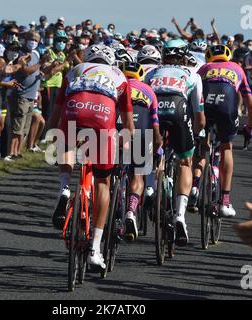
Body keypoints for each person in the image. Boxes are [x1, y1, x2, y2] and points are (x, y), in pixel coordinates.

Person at [48, 44, 134, 269]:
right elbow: (127, 124)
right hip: (102, 115)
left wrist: (49, 134)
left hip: (74, 110)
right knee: (103, 181)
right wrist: (127, 144)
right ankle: (94, 248)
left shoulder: (75, 70)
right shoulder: (120, 76)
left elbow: (56, 114)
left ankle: (65, 188)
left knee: (66, 140)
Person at [145, 39, 205, 246]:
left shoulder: (152, 73)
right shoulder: (193, 75)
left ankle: (151, 190)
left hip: (154, 112)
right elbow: (200, 116)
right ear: (184, 55)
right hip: (178, 110)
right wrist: (194, 136)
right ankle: (180, 215)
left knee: (154, 154)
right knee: (185, 163)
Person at [191, 45, 252, 218]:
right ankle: (225, 201)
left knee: (202, 146)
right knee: (226, 147)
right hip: (226, 107)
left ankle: (195, 187)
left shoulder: (204, 68)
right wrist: (249, 129)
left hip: (205, 106)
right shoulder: (237, 68)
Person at [120, 61, 162, 242]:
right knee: (138, 174)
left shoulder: (117, 85)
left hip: (117, 128)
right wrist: (158, 142)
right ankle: (131, 210)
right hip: (142, 131)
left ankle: (116, 193)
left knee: (107, 173)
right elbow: (155, 123)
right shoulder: (148, 90)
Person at [5, 31, 41, 161]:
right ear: (25, 39)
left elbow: (38, 72)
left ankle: (18, 151)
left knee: (25, 126)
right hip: (21, 95)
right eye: (32, 39)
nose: (34, 42)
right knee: (17, 126)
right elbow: (25, 70)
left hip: (31, 95)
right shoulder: (21, 54)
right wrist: (40, 64)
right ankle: (11, 152)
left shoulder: (36, 55)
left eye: (36, 40)